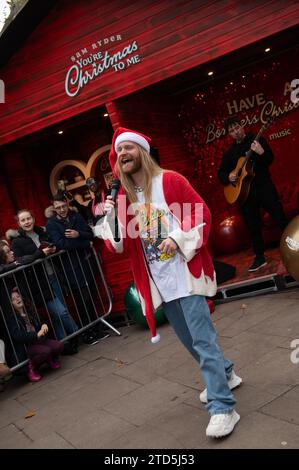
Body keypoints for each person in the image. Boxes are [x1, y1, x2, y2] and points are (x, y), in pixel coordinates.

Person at [96, 127, 242, 438]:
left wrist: (177, 238)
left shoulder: (170, 180)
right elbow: (118, 244)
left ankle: (222, 406)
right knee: (190, 341)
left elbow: (201, 212)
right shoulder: (122, 198)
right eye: (119, 152)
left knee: (203, 340)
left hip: (186, 272)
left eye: (129, 149)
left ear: (143, 152)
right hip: (160, 281)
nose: (123, 155)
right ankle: (225, 374)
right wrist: (109, 218)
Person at [218, 115, 288, 272]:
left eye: (237, 128)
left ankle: (294, 243)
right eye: (232, 131)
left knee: (279, 216)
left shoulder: (256, 140)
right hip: (245, 195)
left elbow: (270, 159)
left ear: (242, 126)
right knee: (253, 226)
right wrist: (229, 176)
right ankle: (259, 257)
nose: (235, 132)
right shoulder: (229, 153)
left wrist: (261, 152)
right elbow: (221, 173)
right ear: (229, 134)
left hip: (264, 187)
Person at [10, 210, 79, 354]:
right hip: (37, 283)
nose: (27, 222)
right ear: (19, 224)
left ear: (33, 218)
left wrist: (54, 248)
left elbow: (56, 243)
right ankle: (78, 333)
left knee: (59, 313)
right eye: (23, 220)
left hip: (54, 275)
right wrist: (40, 254)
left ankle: (64, 343)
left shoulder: (42, 232)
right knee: (61, 312)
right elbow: (21, 261)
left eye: (29, 218)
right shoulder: (17, 242)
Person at [46, 194, 109, 344]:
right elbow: (61, 243)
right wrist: (84, 243)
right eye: (58, 207)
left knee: (91, 295)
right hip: (69, 267)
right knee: (81, 299)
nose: (62, 210)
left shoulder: (76, 216)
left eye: (64, 206)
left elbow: (89, 234)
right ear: (53, 208)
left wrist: (78, 234)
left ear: (67, 204)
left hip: (86, 262)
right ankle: (88, 332)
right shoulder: (52, 224)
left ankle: (97, 328)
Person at [8, 288, 64, 382]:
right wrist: (35, 335)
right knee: (46, 351)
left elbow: (43, 321)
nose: (17, 299)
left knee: (59, 346)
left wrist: (44, 324)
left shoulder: (29, 310)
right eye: (14, 299)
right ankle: (31, 367)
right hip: (28, 346)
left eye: (18, 296)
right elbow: (17, 335)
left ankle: (49, 359)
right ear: (11, 304)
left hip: (40, 341)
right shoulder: (12, 319)